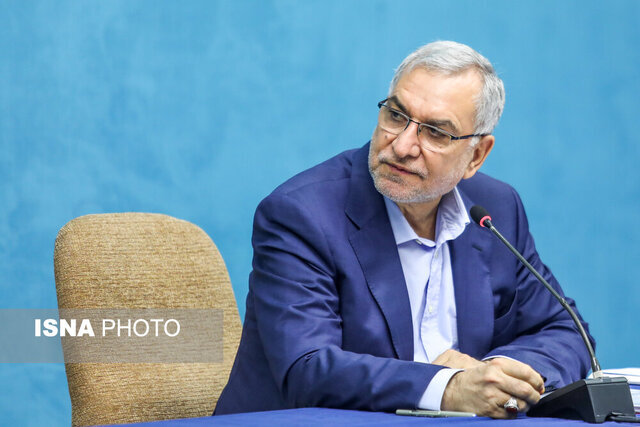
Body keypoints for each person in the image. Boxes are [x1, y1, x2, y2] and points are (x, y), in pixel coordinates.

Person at [214, 40, 593, 418]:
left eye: (435, 132)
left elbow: (566, 331)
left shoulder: (495, 210)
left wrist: (494, 375)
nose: (402, 146)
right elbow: (308, 368)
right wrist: (448, 387)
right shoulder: (301, 215)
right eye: (396, 116)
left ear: (476, 155)